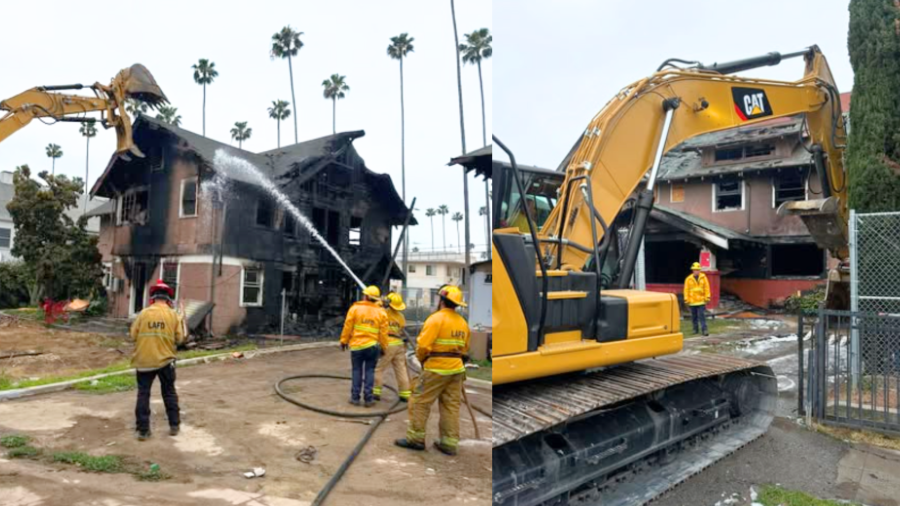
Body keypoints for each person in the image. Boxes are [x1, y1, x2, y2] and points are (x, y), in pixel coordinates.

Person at [395, 285, 470, 456]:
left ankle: (416, 439)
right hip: (456, 370)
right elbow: (465, 349)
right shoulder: (462, 322)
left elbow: (423, 346)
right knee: (451, 406)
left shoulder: (436, 319)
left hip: (436, 368)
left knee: (420, 401)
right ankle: (449, 443)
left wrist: (422, 361)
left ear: (441, 300)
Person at [131, 280, 185, 441]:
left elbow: (133, 335)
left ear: (153, 298)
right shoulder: (173, 315)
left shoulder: (143, 314)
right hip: (166, 361)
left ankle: (143, 431)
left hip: (144, 361)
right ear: (168, 299)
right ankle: (174, 426)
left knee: (143, 394)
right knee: (169, 392)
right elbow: (180, 339)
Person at [339, 285, 389, 407]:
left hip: (357, 346)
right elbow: (383, 333)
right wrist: (383, 347)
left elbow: (348, 326)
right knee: (370, 371)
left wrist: (344, 341)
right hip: (372, 347)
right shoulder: (381, 312)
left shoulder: (355, 309)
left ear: (366, 296)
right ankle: (368, 399)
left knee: (357, 370)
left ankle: (355, 398)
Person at [373, 292, 411, 402]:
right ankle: (405, 394)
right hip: (399, 344)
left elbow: (374, 309)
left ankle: (376, 392)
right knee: (401, 369)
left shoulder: (383, 313)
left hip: (388, 343)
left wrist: (380, 302)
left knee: (379, 368)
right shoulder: (401, 316)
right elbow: (402, 329)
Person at [683, 262, 711, 336]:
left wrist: (707, 297)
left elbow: (706, 288)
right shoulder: (688, 279)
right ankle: (695, 330)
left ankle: (704, 330)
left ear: (700, 270)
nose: (696, 271)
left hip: (701, 301)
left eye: (697, 270)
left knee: (702, 315)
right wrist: (686, 299)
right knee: (694, 316)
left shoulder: (704, 278)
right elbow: (686, 290)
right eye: (695, 270)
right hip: (692, 301)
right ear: (692, 270)